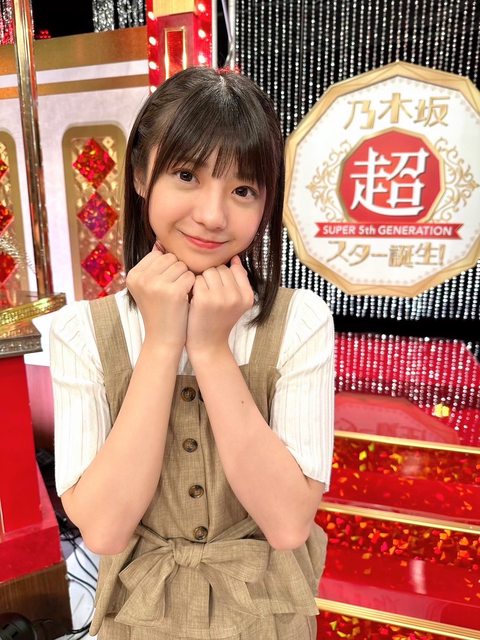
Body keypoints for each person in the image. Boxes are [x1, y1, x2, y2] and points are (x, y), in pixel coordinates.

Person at [50, 66, 335, 640]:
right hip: (140, 613)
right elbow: (103, 530)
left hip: (265, 612)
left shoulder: (300, 321)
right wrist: (161, 343)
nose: (212, 215)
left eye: (242, 190)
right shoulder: (81, 332)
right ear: (139, 175)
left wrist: (209, 348)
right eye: (186, 175)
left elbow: (286, 524)